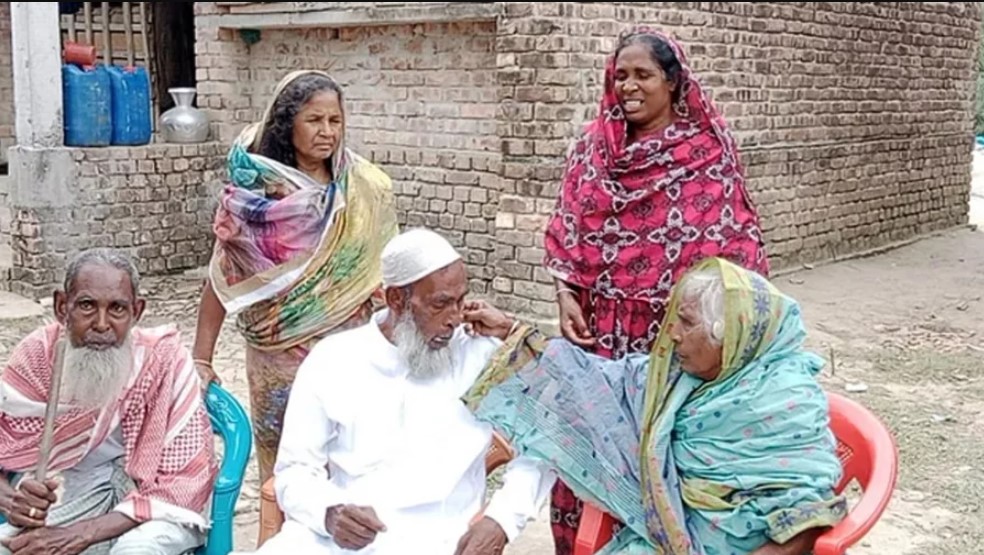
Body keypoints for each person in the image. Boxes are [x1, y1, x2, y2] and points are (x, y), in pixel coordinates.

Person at [542, 27, 770, 552]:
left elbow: (738, 251)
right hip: (600, 334)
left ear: (672, 81)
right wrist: (565, 294)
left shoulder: (705, 153)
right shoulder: (594, 148)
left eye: (643, 74)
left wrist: (714, 334)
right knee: (591, 451)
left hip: (674, 341)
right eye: (620, 75)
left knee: (662, 455)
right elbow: (568, 225)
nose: (628, 86)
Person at [474, 257, 848, 555]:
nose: (672, 334)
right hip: (670, 541)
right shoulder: (671, 379)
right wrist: (510, 330)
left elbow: (808, 518)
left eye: (686, 323)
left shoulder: (787, 402)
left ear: (729, 336)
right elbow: (591, 380)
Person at [239, 229, 555, 555]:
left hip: (441, 542)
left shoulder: (481, 356)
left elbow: (546, 439)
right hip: (340, 543)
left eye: (460, 301)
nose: (454, 318)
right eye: (440, 304)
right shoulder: (333, 360)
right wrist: (329, 512)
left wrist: (502, 519)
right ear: (396, 300)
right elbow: (294, 471)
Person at [192, 70, 400, 483]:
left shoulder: (363, 187)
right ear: (288, 123)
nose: (327, 132)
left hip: (349, 351)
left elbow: (386, 275)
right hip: (279, 356)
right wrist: (201, 358)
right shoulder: (254, 195)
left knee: (352, 462)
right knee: (284, 471)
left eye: (335, 121)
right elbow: (223, 278)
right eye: (314, 120)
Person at [0, 248, 217, 555]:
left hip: (158, 504)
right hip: (75, 491)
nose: (102, 324)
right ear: (62, 307)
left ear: (136, 311)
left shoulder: (165, 360)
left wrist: (80, 535)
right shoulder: (39, 355)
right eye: (87, 306)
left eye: (117, 309)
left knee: (136, 550)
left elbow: (182, 483)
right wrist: (11, 500)